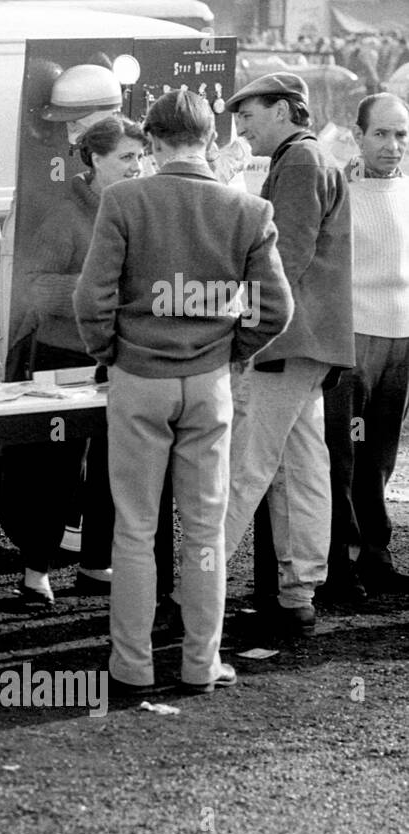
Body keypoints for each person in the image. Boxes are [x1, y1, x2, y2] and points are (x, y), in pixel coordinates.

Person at [75, 90, 292, 694]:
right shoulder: (247, 210)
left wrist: (110, 354)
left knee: (136, 528)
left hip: (138, 379)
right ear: (212, 133)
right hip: (209, 382)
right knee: (203, 530)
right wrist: (229, 353)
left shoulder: (122, 201)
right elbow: (275, 309)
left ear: (152, 139)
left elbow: (91, 301)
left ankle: (132, 665)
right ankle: (200, 663)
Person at [222, 72, 355, 639]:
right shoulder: (314, 158)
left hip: (286, 337)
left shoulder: (299, 163)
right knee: (302, 468)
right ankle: (297, 595)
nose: (241, 126)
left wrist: (245, 329)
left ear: (282, 110)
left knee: (242, 468)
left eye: (248, 115)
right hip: (315, 341)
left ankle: (194, 589)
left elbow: (284, 260)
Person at [3, 116, 145, 608]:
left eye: (139, 156)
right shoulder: (65, 213)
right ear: (95, 157)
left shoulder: (134, 205)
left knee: (113, 466)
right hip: (63, 357)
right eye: (126, 157)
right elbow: (36, 287)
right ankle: (34, 571)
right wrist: (101, 296)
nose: (137, 165)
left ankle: (94, 563)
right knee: (56, 470)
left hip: (115, 356)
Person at [321, 92, 409, 602]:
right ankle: (339, 566)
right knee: (343, 456)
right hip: (353, 339)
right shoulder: (341, 191)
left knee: (381, 455)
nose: (393, 146)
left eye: (401, 135)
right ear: (358, 135)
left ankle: (376, 556)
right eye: (381, 133)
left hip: (400, 340)